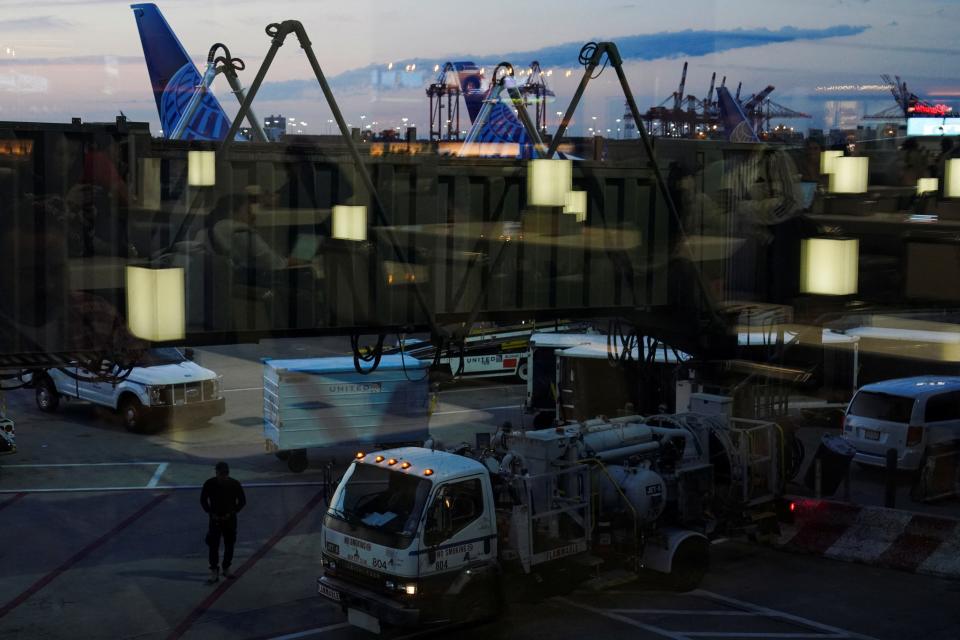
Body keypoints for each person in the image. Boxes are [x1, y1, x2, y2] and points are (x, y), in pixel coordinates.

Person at [200, 461, 246, 583]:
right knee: (213, 546)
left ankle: (226, 567)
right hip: (215, 520)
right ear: (216, 472)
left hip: (229, 520)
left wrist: (232, 513)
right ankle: (214, 569)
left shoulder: (234, 484)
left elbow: (242, 501)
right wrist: (210, 512)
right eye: (221, 474)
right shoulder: (209, 484)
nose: (223, 476)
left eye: (225, 474)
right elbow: (203, 500)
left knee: (229, 545)